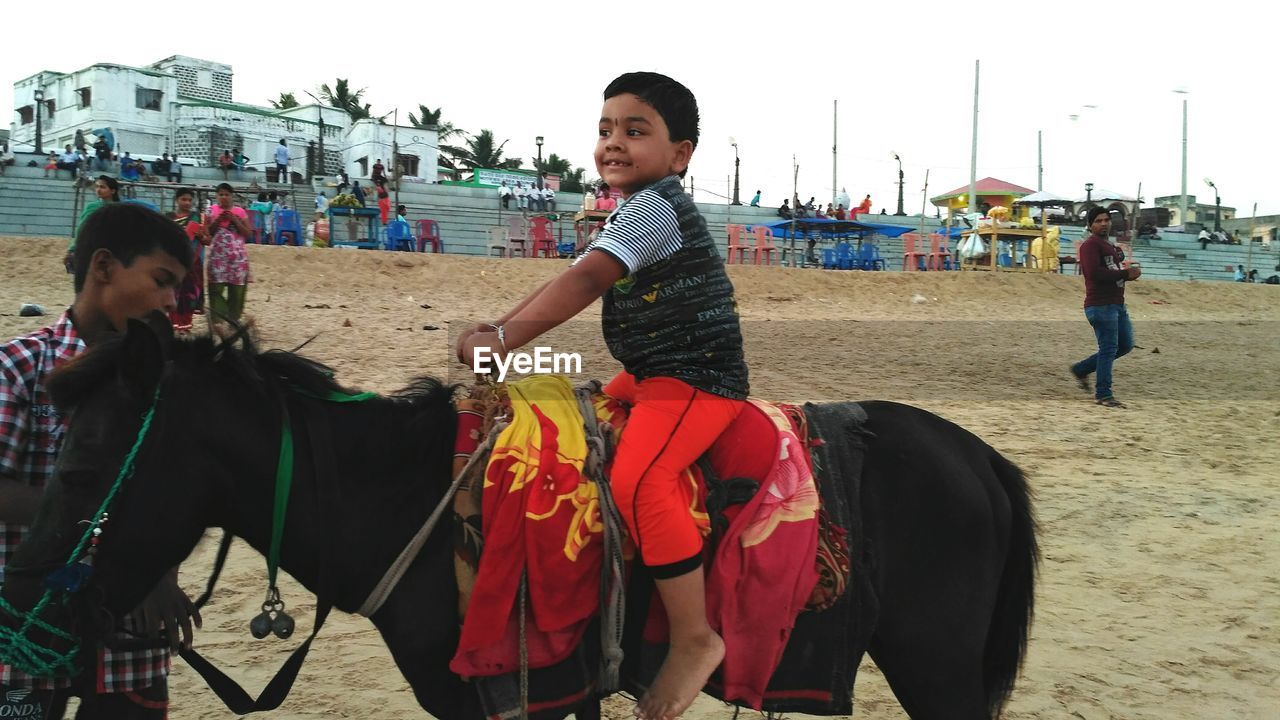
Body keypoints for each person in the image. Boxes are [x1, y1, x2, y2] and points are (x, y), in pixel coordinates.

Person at [456, 71, 744, 720]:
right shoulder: (632, 207)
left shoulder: (659, 207)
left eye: (635, 131)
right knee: (566, 426)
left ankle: (695, 639)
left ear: (680, 154)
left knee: (640, 481)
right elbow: (569, 276)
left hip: (696, 379)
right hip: (649, 372)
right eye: (605, 129)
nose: (614, 142)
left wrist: (502, 341)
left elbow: (586, 281)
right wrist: (497, 329)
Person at [0, 203, 200, 720]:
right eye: (161, 281)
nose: (169, 301)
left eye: (176, 288)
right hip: (26, 622)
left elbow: (172, 498)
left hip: (131, 622)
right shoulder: (20, 367)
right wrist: (109, 526)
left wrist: (161, 573)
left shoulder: (163, 387)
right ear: (104, 268)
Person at [1070, 206, 1141, 408]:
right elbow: (1094, 274)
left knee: (1124, 345)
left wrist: (1126, 273)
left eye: (1106, 220)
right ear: (1090, 225)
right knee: (1109, 348)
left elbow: (1111, 272)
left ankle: (1081, 369)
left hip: (1116, 303)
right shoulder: (1090, 246)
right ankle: (1103, 394)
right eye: (1098, 221)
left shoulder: (1108, 246)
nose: (1103, 223)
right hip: (1101, 305)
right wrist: (1125, 274)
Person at [205, 183, 252, 324]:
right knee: (215, 289)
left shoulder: (240, 211)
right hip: (217, 258)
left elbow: (248, 233)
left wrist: (234, 219)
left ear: (232, 196)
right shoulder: (210, 211)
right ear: (216, 196)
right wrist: (218, 220)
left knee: (237, 291)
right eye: (221, 194)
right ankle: (219, 318)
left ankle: (234, 319)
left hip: (237, 259)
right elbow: (207, 233)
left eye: (227, 194)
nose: (224, 197)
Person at [168, 187, 211, 332]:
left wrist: (201, 236)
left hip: (194, 262)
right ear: (177, 200)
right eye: (183, 199)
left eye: (189, 200)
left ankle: (186, 324)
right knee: (173, 292)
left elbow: (207, 241)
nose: (187, 203)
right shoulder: (168, 218)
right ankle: (173, 323)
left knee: (190, 293)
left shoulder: (198, 217)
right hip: (173, 261)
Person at [69, 176, 121, 271]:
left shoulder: (121, 209)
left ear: (113, 191)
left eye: (102, 187)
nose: (98, 190)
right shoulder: (92, 207)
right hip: (94, 248)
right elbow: (82, 228)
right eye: (97, 187)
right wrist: (73, 248)